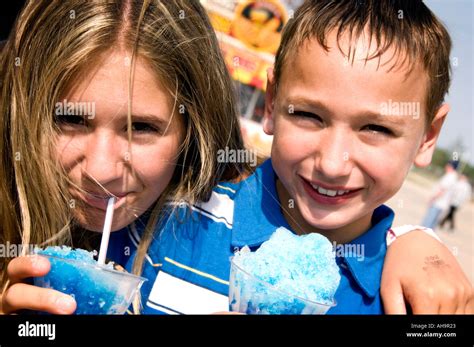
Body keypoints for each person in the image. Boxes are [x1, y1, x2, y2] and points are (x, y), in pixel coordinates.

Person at [1, 0, 471, 315]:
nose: (332, 162)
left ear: (429, 137)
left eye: (376, 128)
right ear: (270, 105)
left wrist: (413, 238)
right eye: (308, 115)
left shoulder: (414, 299)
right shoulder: (171, 221)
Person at [421, 161, 459, 229]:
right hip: (443, 204)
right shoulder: (454, 177)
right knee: (432, 224)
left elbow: (442, 191)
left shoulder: (450, 177)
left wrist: (432, 198)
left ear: (450, 166)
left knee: (427, 224)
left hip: (438, 203)